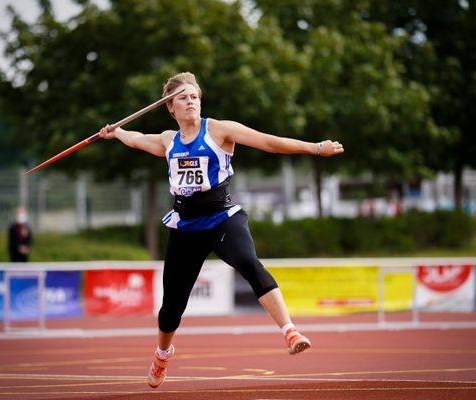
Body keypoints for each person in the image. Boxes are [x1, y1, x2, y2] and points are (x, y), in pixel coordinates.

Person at [99, 72, 345, 389]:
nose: (191, 101)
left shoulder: (218, 130)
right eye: (183, 97)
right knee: (172, 305)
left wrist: (315, 148)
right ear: (170, 107)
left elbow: (269, 142)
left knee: (247, 261)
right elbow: (136, 139)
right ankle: (162, 354)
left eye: (195, 96)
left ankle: (290, 331)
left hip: (221, 217)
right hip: (185, 227)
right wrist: (116, 132)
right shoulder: (168, 140)